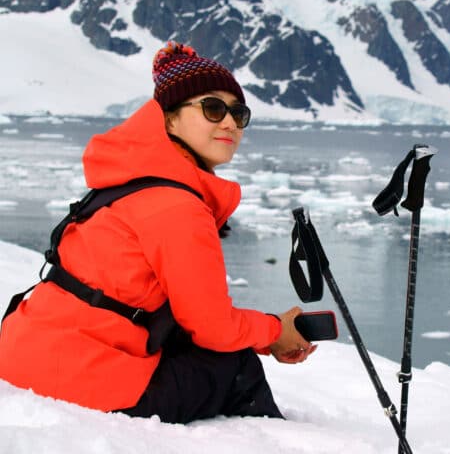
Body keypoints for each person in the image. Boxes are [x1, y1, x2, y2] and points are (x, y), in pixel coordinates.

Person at [0, 41, 316, 423]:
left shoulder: (130, 181)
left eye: (238, 112)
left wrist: (269, 334)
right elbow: (213, 328)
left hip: (21, 355)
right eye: (213, 109)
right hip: (77, 379)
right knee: (234, 362)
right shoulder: (178, 206)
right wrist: (272, 330)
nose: (230, 123)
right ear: (168, 119)